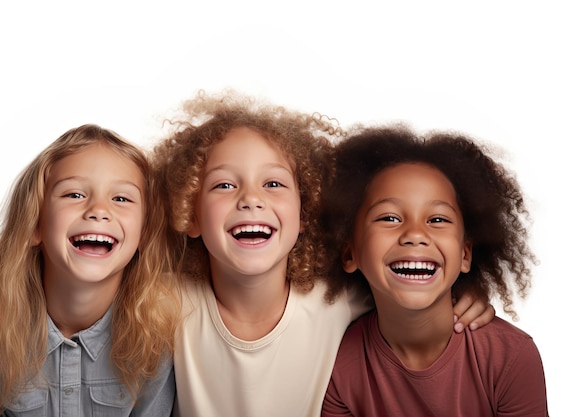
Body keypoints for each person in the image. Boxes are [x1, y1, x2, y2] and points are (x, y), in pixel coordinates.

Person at [152, 90, 495, 417]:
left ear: (304, 213)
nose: (251, 198)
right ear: (190, 214)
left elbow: (409, 287)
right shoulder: (165, 302)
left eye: (273, 184)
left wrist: (466, 292)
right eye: (224, 185)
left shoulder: (340, 302)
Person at [0, 124, 181, 417]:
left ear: (144, 233)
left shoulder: (154, 335)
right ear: (35, 225)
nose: (99, 210)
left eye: (121, 198)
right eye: (74, 195)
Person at [321, 124, 548, 416]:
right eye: (389, 218)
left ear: (465, 254)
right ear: (350, 252)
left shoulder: (510, 357)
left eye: (438, 219)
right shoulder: (339, 364)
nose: (415, 234)